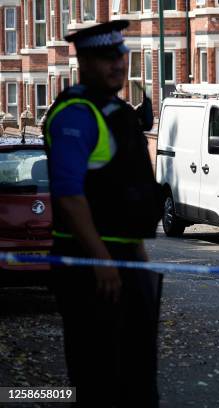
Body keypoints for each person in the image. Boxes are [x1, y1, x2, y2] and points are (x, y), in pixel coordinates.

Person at [43, 21, 163, 407]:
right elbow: (69, 195)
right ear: (85, 62)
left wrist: (136, 252)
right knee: (99, 378)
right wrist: (101, 259)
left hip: (123, 259)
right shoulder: (76, 115)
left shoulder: (117, 112)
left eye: (121, 55)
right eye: (106, 57)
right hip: (89, 265)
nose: (118, 64)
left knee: (137, 375)